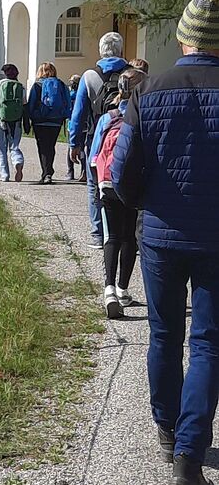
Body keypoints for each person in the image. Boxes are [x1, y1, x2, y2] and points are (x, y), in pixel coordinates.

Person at [112, 0, 219, 485]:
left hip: (159, 235)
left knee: (164, 334)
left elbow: (120, 172)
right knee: (209, 343)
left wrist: (144, 207)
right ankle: (189, 458)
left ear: (183, 39)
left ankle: (167, 429)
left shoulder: (147, 91)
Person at [89, 67, 145, 318]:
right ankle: (123, 289)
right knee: (129, 236)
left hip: (108, 183)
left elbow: (94, 157)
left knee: (111, 236)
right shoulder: (142, 116)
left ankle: (109, 288)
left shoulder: (107, 117)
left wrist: (97, 184)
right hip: (132, 185)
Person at [68, 32, 127, 246]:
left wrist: (74, 143)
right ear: (121, 50)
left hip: (97, 137)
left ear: (100, 51)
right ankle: (124, 233)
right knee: (125, 182)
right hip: (126, 135)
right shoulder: (132, 74)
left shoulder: (89, 76)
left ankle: (98, 234)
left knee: (94, 185)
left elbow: (78, 113)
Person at [25, 62, 71, 184]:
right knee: (51, 146)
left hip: (40, 120)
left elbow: (31, 103)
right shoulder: (61, 84)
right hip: (56, 121)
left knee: (43, 148)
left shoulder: (37, 85)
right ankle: (49, 171)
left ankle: (46, 173)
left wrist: (30, 118)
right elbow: (67, 102)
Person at [0, 64, 25, 183]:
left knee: (2, 149)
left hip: (1, 122)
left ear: (5, 74)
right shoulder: (21, 88)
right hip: (16, 123)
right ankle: (18, 162)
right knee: (14, 146)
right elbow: (24, 107)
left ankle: (4, 175)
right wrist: (26, 124)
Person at [65, 75, 82, 180]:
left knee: (70, 146)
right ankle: (84, 171)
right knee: (82, 148)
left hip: (71, 124)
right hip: (83, 124)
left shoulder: (70, 95)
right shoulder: (82, 95)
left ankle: (70, 172)